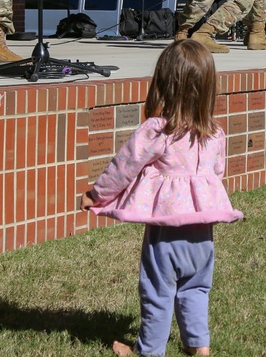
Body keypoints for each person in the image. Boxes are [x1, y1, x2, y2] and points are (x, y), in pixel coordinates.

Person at [81, 39, 243, 357]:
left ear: (163, 83)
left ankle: (148, 351)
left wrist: (96, 195)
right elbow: (217, 175)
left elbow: (123, 167)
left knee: (158, 291)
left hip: (166, 232)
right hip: (203, 233)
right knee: (196, 288)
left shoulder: (158, 131)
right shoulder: (214, 133)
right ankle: (199, 347)